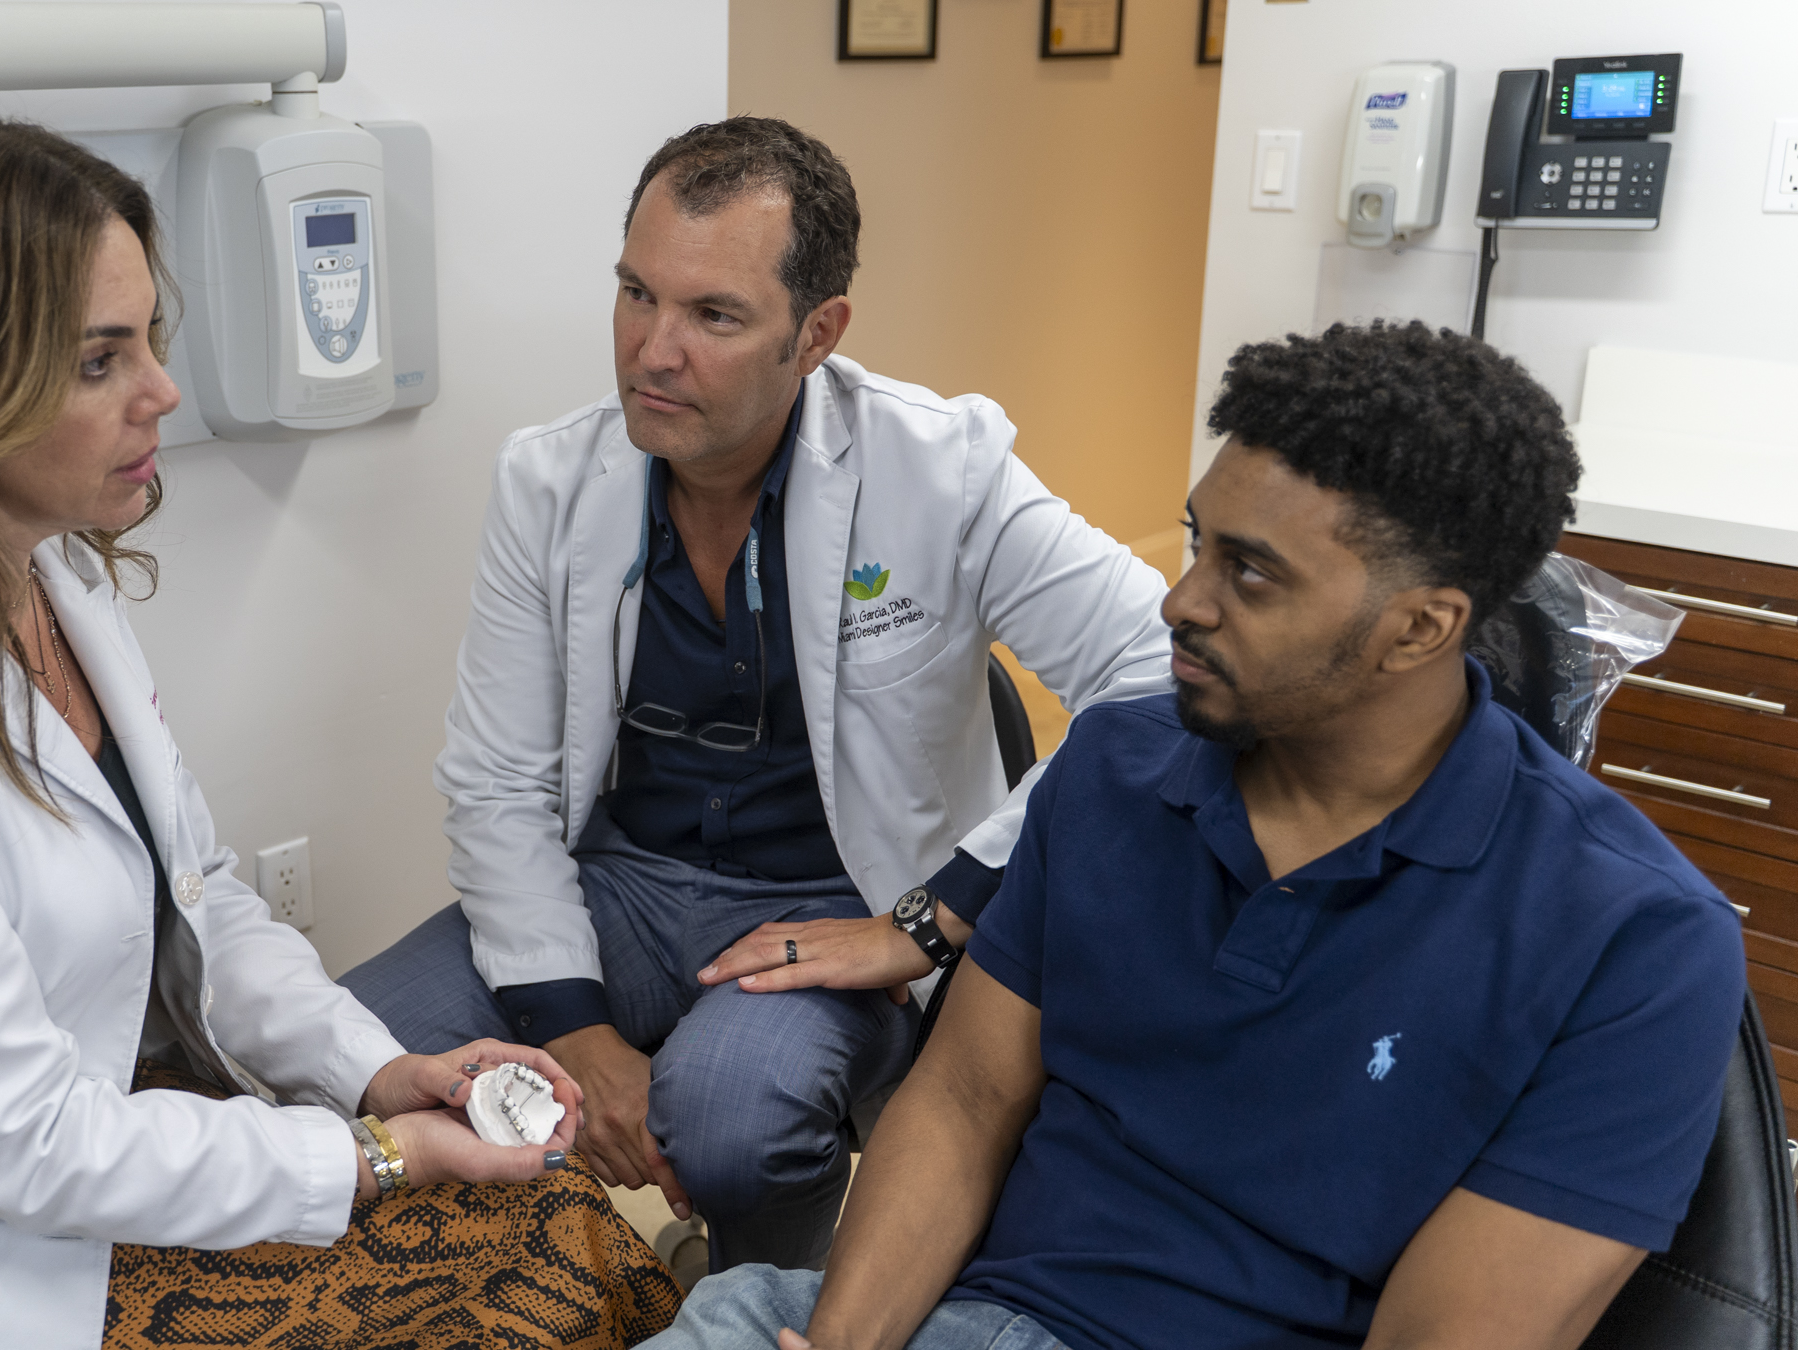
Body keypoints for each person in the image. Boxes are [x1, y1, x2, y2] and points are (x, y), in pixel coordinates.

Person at [0, 118, 680, 1350]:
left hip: (85, 1172)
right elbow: (16, 1141)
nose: (163, 391)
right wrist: (373, 1156)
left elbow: (201, 900)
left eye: (150, 341)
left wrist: (376, 1073)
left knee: (563, 1226)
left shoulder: (54, 579)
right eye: (100, 360)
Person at [642, 321, 1752, 1350]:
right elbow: (966, 1101)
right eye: (1198, 543)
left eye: (1251, 572)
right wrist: (845, 1342)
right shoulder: (1114, 769)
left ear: (1421, 628)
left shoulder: (1635, 940)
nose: (1182, 600)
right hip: (967, 1317)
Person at [339, 116, 1174, 1274]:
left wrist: (927, 921)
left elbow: (1158, 670)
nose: (650, 351)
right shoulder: (551, 481)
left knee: (726, 1118)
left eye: (713, 316)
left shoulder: (945, 468)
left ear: (816, 334)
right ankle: (576, 1287)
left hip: (836, 889)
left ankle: (753, 1295)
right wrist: (571, 1025)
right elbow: (497, 782)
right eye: (637, 294)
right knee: (352, 1051)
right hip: (625, 879)